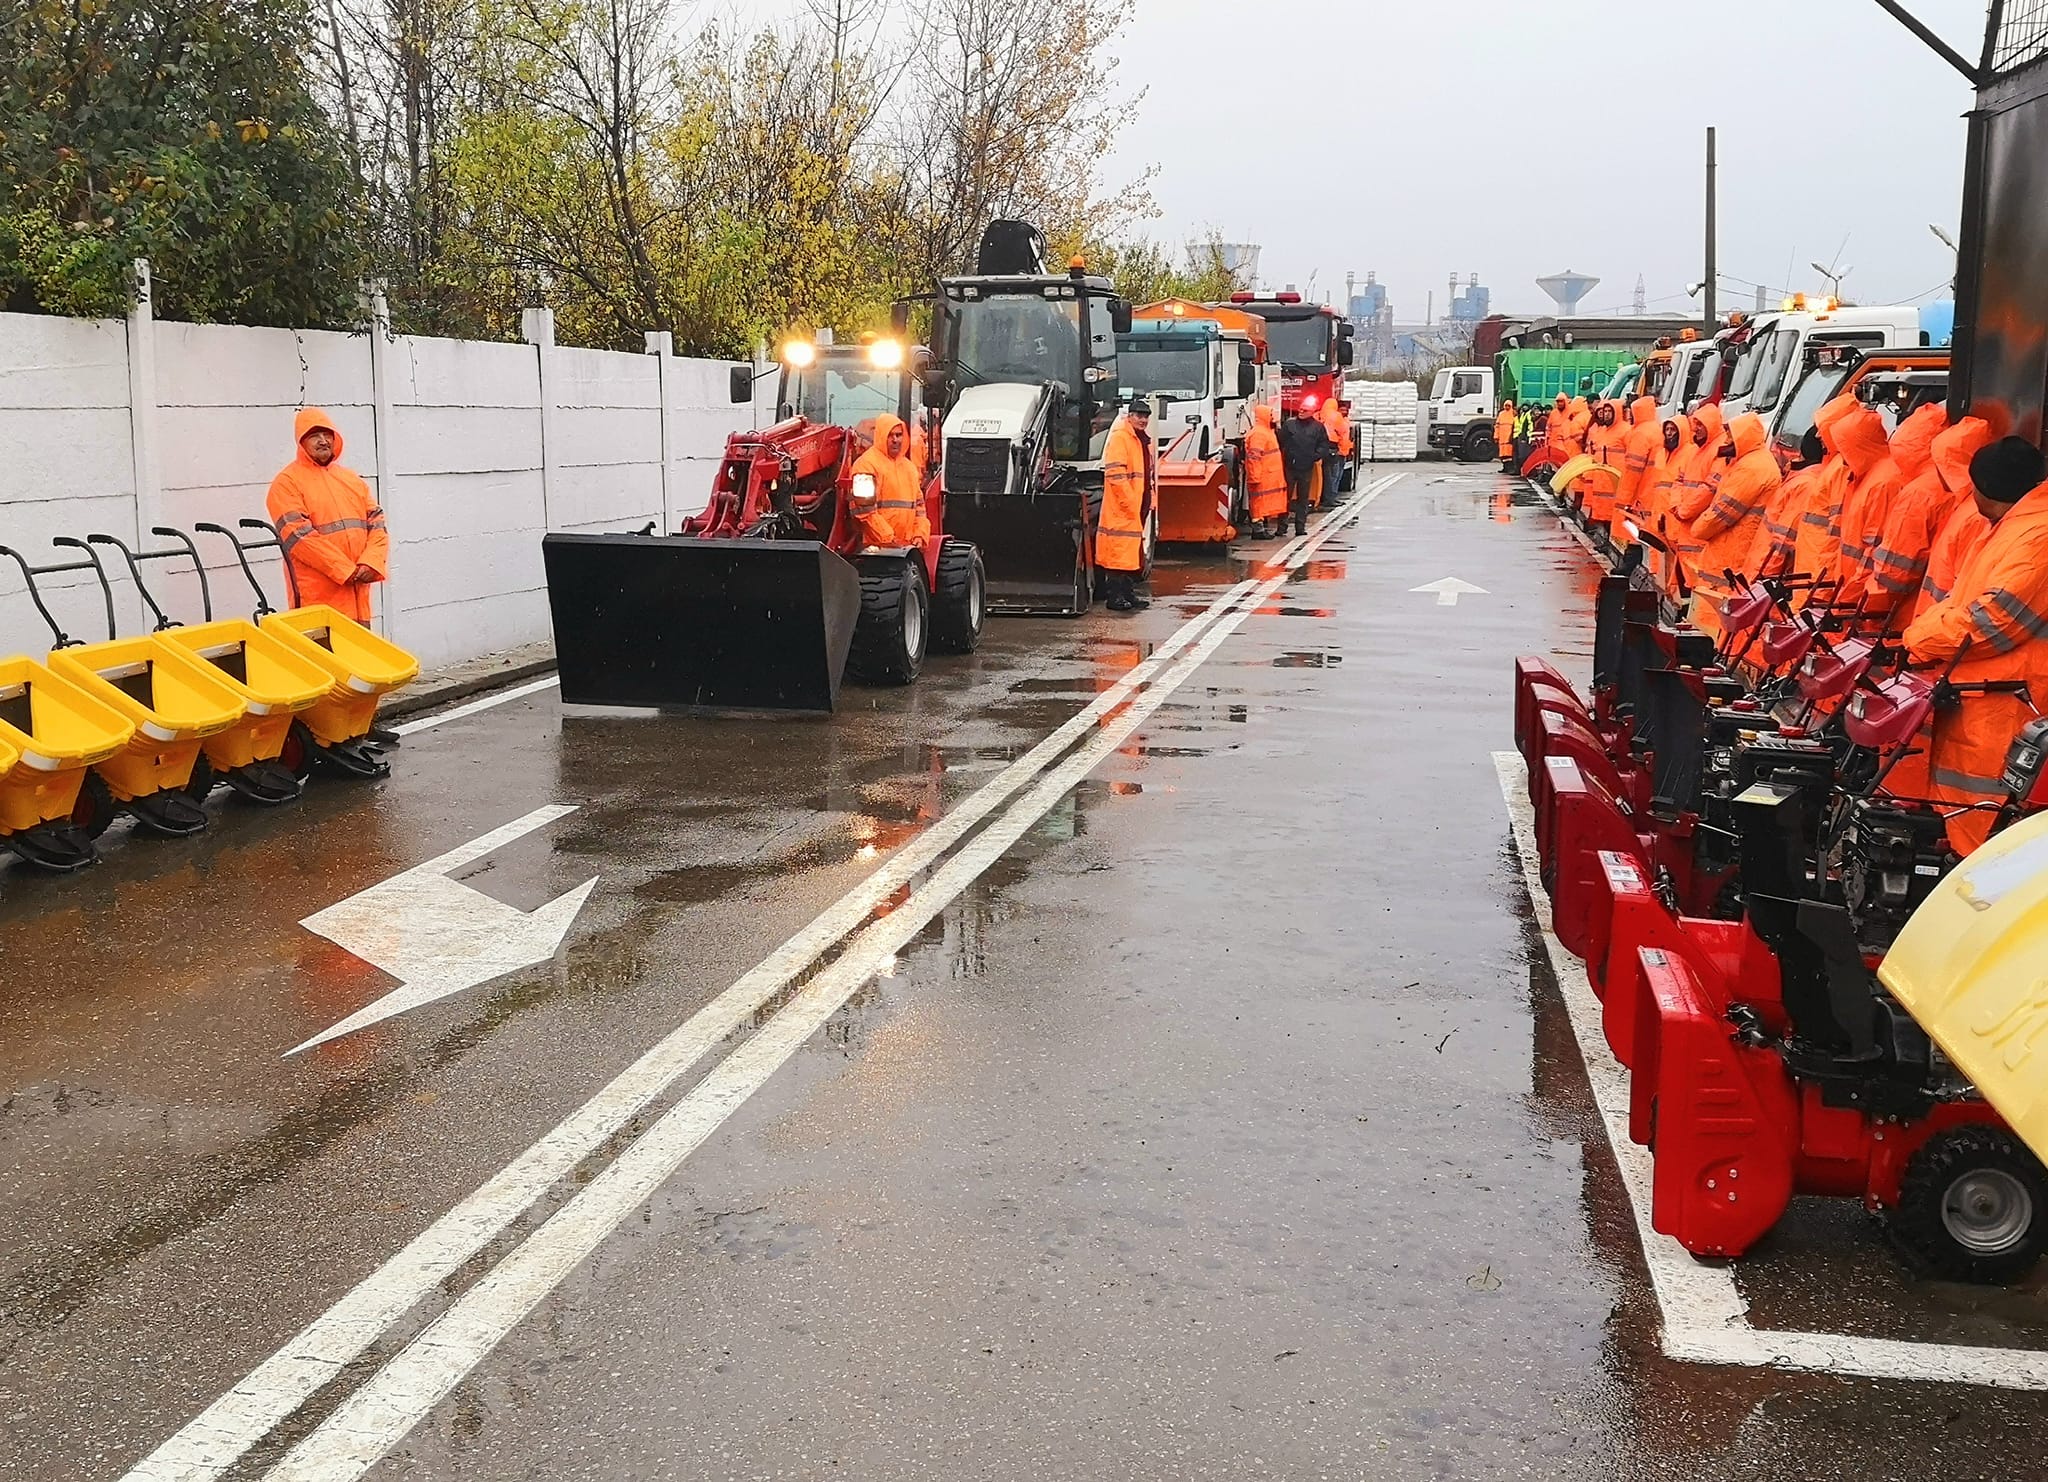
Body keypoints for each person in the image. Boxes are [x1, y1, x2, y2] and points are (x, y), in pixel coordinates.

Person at [1903, 436, 2048, 854]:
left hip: (2005, 709)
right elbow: (1961, 602)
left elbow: (1992, 621)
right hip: (1986, 703)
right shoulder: (2013, 529)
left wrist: (1920, 639)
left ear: (1986, 488)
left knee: (1990, 840)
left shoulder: (2034, 539)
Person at [1866, 416, 1992, 625]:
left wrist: (1867, 612)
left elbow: (1896, 571)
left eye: (1942, 463)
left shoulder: (1926, 496)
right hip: (1930, 624)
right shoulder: (1966, 504)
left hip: (1916, 623)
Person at [267, 408, 388, 623]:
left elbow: (377, 523)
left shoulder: (351, 479)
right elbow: (300, 538)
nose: (323, 441)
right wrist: (345, 570)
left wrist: (371, 563)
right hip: (317, 600)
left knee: (359, 655)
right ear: (301, 443)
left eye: (327, 434)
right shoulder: (287, 483)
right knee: (321, 655)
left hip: (358, 597)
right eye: (314, 435)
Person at [1676, 412, 1780, 640]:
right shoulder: (1750, 463)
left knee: (1717, 616)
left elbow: (1721, 512)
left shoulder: (1750, 469)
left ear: (1742, 438)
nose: (1725, 442)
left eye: (1730, 437)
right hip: (1732, 551)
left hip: (1732, 554)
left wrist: (1697, 529)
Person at [1097, 396, 1155, 612]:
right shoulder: (1121, 438)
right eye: (1139, 415)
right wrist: (1129, 500)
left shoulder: (1139, 439)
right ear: (1129, 416)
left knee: (1130, 552)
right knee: (1117, 553)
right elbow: (1116, 473)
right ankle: (1115, 596)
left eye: (1146, 416)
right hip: (1123, 507)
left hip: (1134, 505)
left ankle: (1127, 593)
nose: (1143, 419)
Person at [849, 413, 931, 548]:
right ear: (881, 435)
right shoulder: (865, 465)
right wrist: (888, 538)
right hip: (876, 548)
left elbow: (920, 509)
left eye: (898, 435)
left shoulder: (909, 468)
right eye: (890, 435)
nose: (895, 440)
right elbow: (864, 512)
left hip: (907, 548)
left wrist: (919, 535)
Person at [1279, 400, 1335, 537]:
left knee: (1303, 499)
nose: (1301, 412)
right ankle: (1281, 527)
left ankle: (1300, 527)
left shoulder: (1317, 427)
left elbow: (1323, 444)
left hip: (1306, 467)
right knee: (1284, 498)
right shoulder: (1290, 425)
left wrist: (1314, 456)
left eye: (1305, 410)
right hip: (1290, 466)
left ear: (1312, 412)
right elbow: (1280, 441)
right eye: (1301, 409)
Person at [1244, 404, 1289, 536]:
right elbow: (1254, 457)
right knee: (1258, 502)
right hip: (1262, 476)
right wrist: (1254, 476)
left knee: (1262, 503)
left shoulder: (1267, 432)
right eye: (1270, 415)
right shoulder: (1259, 434)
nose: (1273, 418)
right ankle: (1258, 529)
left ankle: (1260, 527)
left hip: (1269, 476)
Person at [1318, 395, 1353, 503]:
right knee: (1334, 476)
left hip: (1324, 448)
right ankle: (1331, 498)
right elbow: (1342, 432)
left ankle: (1326, 498)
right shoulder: (1337, 417)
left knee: (1327, 476)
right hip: (1336, 448)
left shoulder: (1319, 415)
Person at [1496, 399, 1518, 471]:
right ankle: (1505, 467)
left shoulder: (1514, 414)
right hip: (1502, 438)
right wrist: (1496, 436)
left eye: (1509, 405)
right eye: (1506, 405)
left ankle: (1510, 467)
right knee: (1503, 454)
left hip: (1509, 437)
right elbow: (1497, 426)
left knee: (1509, 454)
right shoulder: (1501, 414)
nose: (1507, 407)